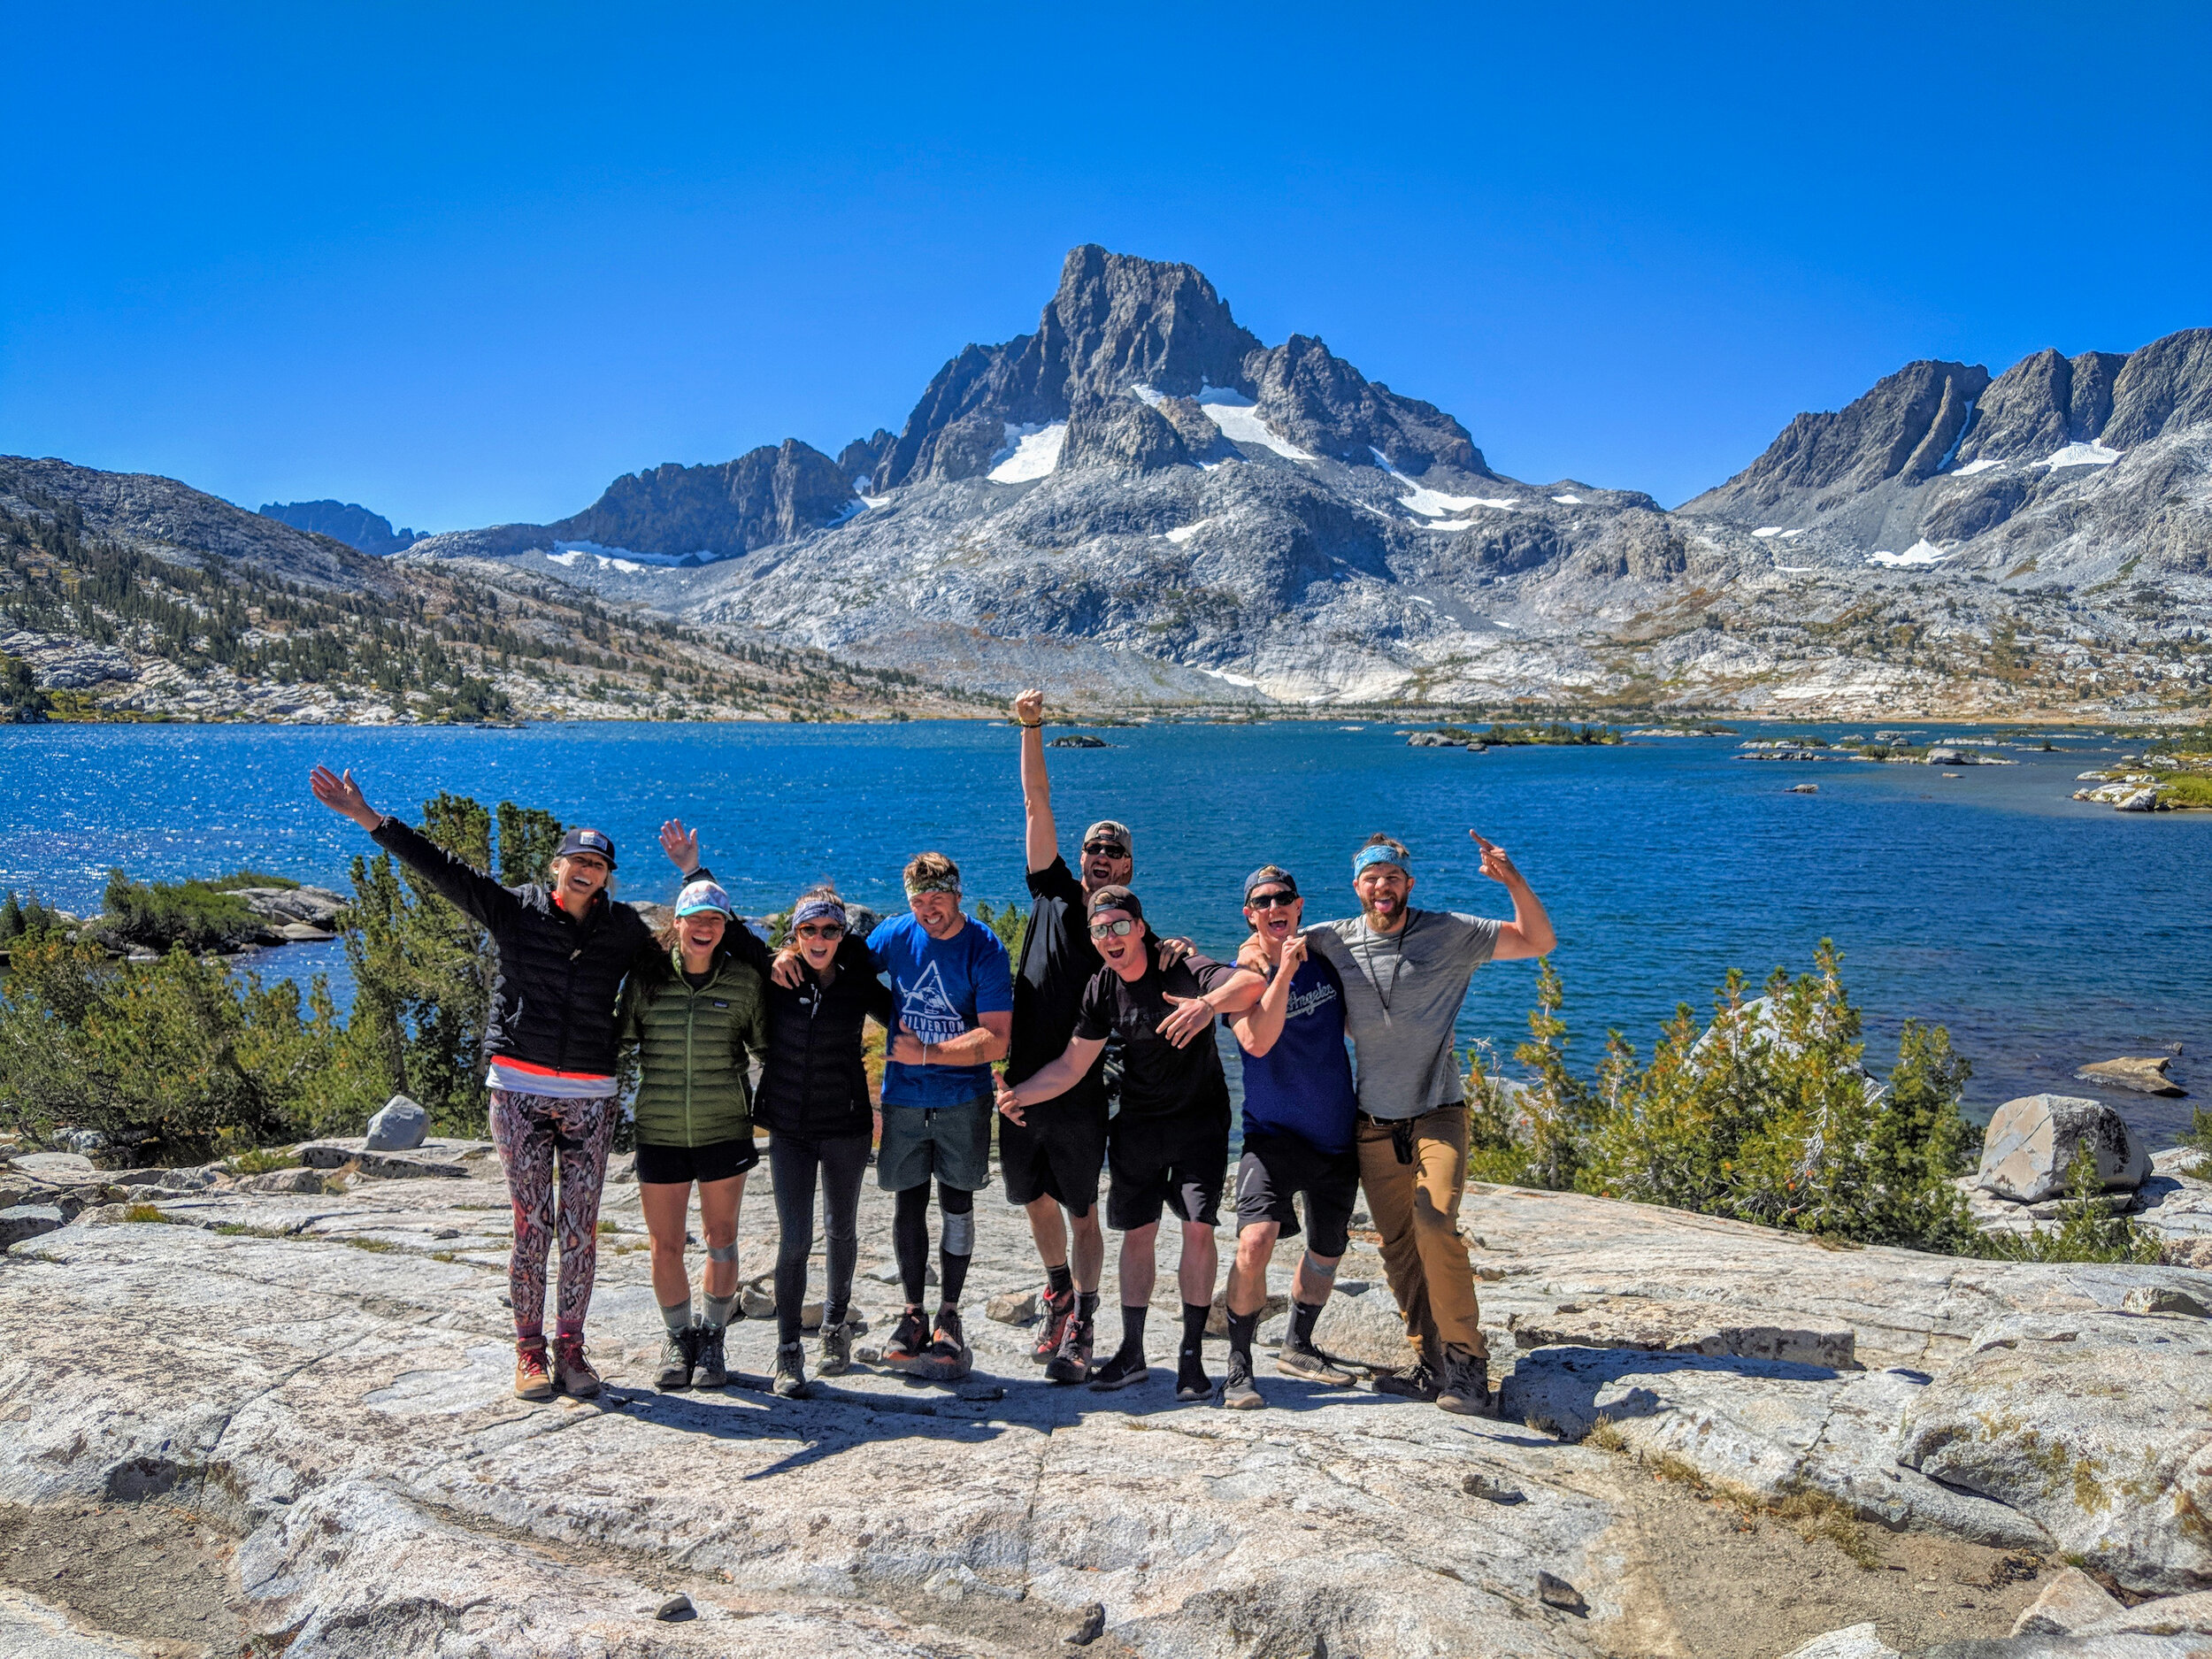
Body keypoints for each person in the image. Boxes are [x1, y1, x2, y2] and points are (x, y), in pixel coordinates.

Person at [306, 769, 750, 1401]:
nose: (587, 870)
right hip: (518, 1087)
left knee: (579, 1230)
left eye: (598, 864)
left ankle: (571, 1348)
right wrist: (370, 819)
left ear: (607, 876)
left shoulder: (623, 928)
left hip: (591, 1098)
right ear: (556, 866)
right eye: (578, 860)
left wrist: (695, 879)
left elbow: (700, 934)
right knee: (531, 1225)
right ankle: (529, 1351)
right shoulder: (514, 910)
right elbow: (444, 869)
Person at [1252, 831, 1555, 1416]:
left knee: (1435, 1221)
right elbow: (1262, 947)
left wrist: (1512, 879)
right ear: (1357, 886)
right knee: (1397, 1247)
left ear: (1407, 884)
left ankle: (1468, 1362)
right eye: (1371, 876)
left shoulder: (1452, 932)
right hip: (1372, 1121)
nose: (1382, 885)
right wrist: (1186, 958)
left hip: (1437, 1109)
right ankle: (1432, 1362)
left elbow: (1540, 940)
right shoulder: (1330, 940)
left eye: (1392, 876)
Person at [997, 886, 1261, 1401]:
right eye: (1100, 930)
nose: (1111, 937)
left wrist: (1206, 1006)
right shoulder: (1100, 988)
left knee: (1197, 1232)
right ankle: (1133, 1352)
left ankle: (1190, 1358)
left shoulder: (1183, 967)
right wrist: (1017, 1096)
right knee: (1137, 1235)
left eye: (1120, 925)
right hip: (1138, 1126)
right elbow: (1073, 1065)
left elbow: (1250, 984)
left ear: (1140, 927)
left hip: (1199, 1125)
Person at [1003, 687, 1131, 1383]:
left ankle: (1083, 1315)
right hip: (1023, 1078)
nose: (1101, 858)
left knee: (1083, 1208)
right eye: (1094, 849)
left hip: (1078, 1086)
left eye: (1113, 853)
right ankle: (1056, 1291)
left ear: (1128, 867)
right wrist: (1031, 728)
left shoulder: (1125, 924)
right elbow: (1036, 803)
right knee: (1032, 1196)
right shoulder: (1051, 889)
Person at [1217, 865, 1362, 1409]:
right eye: (1261, 901)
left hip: (1334, 1135)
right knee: (1254, 1243)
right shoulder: (1240, 978)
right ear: (1249, 914)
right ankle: (1238, 1363)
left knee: (1326, 1251)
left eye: (1283, 899)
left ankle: (1298, 1345)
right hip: (1271, 1137)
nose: (1274, 907)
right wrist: (1279, 970)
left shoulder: (1326, 961)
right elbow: (1256, 1042)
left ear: (1298, 906)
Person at [617, 878, 768, 1394]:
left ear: (725, 929)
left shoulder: (745, 983)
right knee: (664, 1244)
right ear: (676, 923)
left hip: (723, 1128)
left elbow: (771, 1051)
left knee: (721, 1239)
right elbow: (613, 1041)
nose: (704, 927)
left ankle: (714, 1337)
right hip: (658, 1130)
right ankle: (677, 1338)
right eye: (695, 918)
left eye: (715, 920)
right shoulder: (646, 979)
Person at [867, 851, 1014, 1379]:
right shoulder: (893, 935)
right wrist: (790, 953)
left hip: (961, 1099)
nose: (929, 908)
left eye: (939, 896)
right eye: (918, 899)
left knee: (956, 1202)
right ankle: (912, 1313)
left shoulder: (985, 948)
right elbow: (843, 970)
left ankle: (950, 1312)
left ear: (957, 893)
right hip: (904, 1097)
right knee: (908, 1202)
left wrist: (926, 1053)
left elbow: (997, 1038)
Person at [754, 885, 893, 1399]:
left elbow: (907, 1017)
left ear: (842, 934)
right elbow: (724, 944)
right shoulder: (776, 977)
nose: (819, 938)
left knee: (841, 1228)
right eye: (808, 930)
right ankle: (789, 1350)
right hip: (788, 1125)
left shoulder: (857, 982)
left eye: (830, 930)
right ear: (794, 934)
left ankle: (835, 1327)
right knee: (795, 1240)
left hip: (847, 1122)